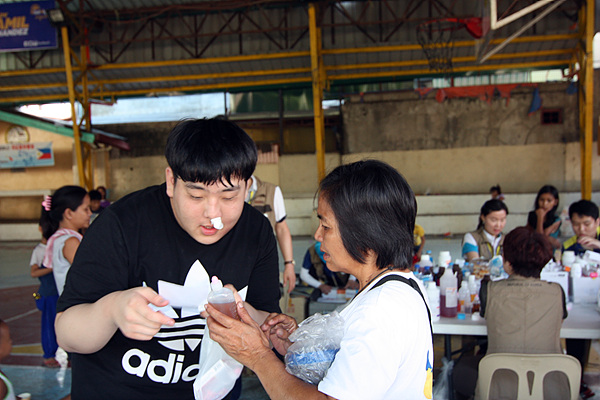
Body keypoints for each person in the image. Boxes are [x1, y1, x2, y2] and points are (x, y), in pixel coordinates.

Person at [54, 118, 281, 400]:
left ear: (247, 187)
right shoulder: (122, 224)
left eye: (228, 196)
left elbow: (269, 324)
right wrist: (112, 310)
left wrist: (245, 313)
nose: (213, 214)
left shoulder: (255, 232)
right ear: (171, 181)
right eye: (196, 195)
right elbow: (66, 333)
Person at [204, 160, 434, 399]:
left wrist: (259, 357)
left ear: (366, 232)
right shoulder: (398, 288)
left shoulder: (379, 311)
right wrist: (300, 347)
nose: (317, 234)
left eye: (325, 225)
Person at [454, 227, 568, 400]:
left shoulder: (489, 290)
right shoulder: (557, 292)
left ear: (507, 263)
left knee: (460, 367)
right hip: (551, 387)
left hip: (498, 387)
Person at [561, 199, 599, 399]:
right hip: (581, 303)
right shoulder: (569, 246)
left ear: (597, 222)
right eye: (576, 224)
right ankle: (577, 382)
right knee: (576, 339)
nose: (581, 229)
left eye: (586, 224)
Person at [246, 175, 297, 292]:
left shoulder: (271, 191)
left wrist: (289, 264)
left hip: (261, 266)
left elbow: (281, 228)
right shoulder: (222, 190)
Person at [41, 186, 91, 296]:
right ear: (68, 213)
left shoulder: (60, 238)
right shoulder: (71, 242)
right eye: (86, 209)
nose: (90, 213)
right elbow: (91, 274)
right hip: (79, 307)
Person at [30, 211, 60, 368]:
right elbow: (34, 272)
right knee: (49, 325)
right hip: (48, 294)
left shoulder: (58, 245)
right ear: (41, 228)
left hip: (60, 292)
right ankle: (49, 355)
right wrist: (51, 268)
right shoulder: (39, 251)